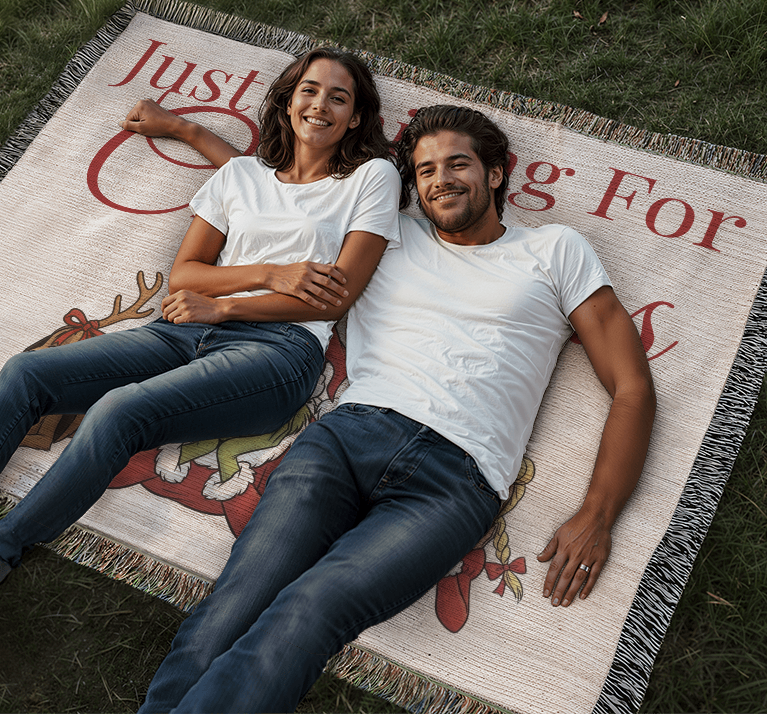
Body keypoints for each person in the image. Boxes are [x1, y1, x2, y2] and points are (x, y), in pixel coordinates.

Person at [0, 48, 403, 680]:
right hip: (182, 328)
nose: (320, 105)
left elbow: (338, 292)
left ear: (354, 118)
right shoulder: (241, 178)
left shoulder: (370, 178)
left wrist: (224, 307)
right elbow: (186, 272)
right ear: (288, 100)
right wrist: (266, 271)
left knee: (120, 411)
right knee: (27, 373)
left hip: (277, 350)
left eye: (338, 98)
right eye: (309, 90)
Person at [136, 103, 657, 714]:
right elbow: (280, 195)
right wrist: (187, 130)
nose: (440, 180)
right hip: (346, 439)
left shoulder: (555, 250)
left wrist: (598, 513)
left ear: (495, 173)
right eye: (425, 169)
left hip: (454, 481)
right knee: (238, 600)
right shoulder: (386, 235)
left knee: (311, 610)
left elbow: (632, 387)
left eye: (458, 163)